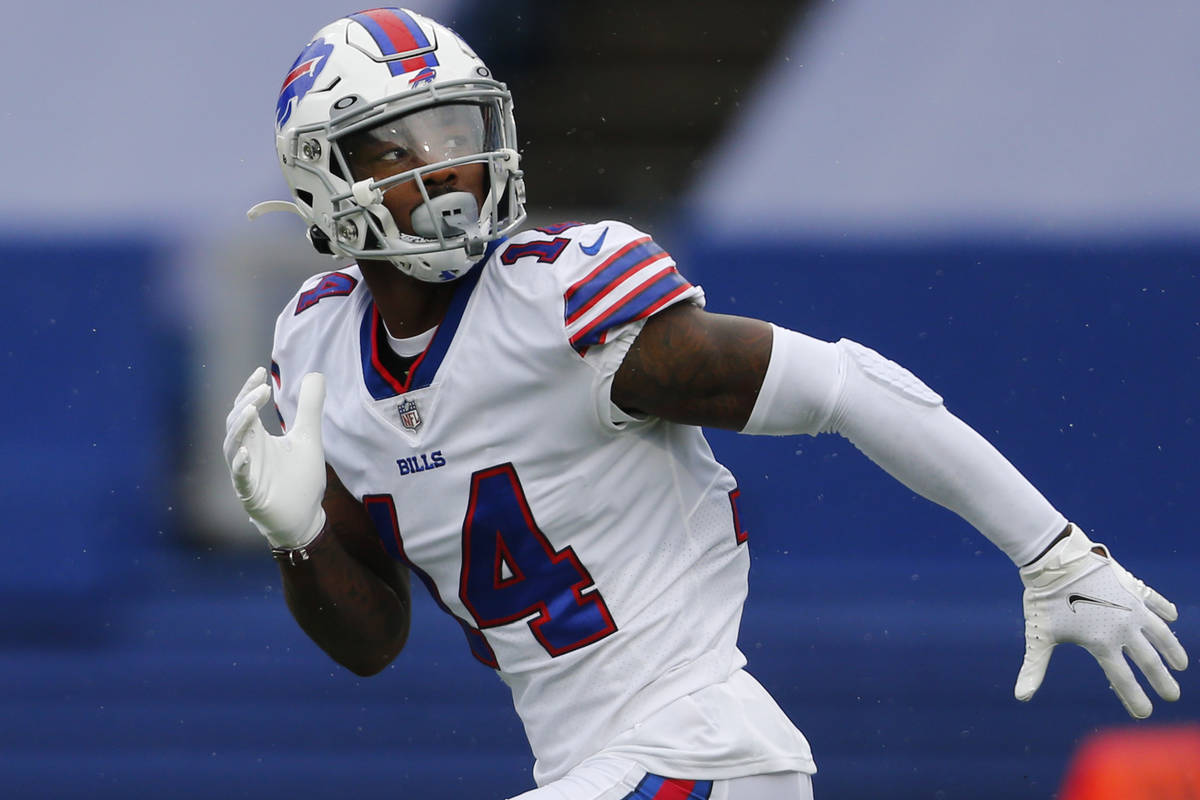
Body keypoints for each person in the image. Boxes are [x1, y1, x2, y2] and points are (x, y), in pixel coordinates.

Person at [223, 8, 1188, 799]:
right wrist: (298, 530)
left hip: (705, 750)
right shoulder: (316, 348)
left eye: (457, 132)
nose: (446, 168)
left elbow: (841, 384)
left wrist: (1051, 552)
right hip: (594, 768)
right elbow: (369, 642)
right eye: (402, 148)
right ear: (324, 173)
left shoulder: (559, 301)